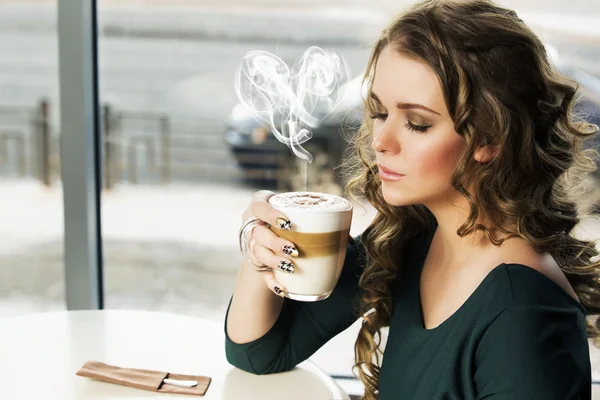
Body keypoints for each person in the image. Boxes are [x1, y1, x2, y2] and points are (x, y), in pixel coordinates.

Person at [224, 0, 600, 398]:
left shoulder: (523, 316)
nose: (381, 142)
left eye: (418, 124)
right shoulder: (413, 238)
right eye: (380, 113)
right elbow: (259, 352)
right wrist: (259, 241)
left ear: (489, 138)